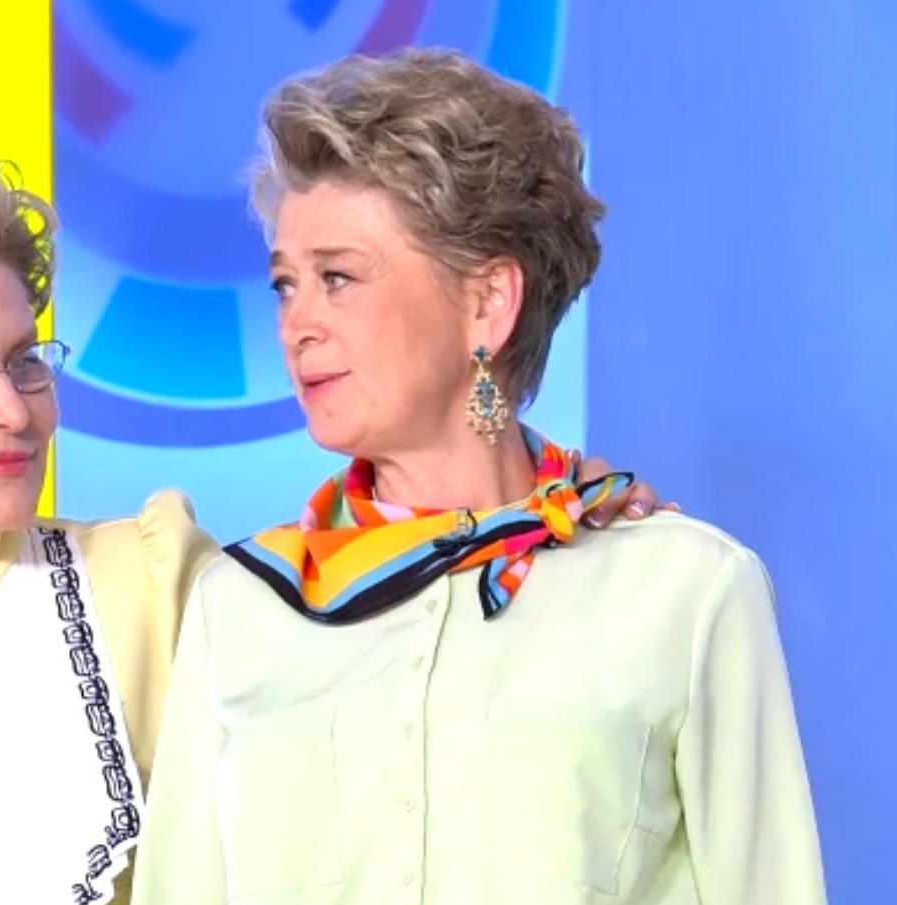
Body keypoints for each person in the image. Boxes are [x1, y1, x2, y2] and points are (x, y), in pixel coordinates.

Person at [0, 133, 661, 905]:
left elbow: (408, 698)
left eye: (23, 360)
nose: (13, 409)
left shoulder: (155, 579)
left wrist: (549, 509)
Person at [131, 49, 826, 905]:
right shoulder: (240, 606)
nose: (296, 323)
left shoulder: (687, 590)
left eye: (338, 278)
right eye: (285, 285)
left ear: (488, 301)